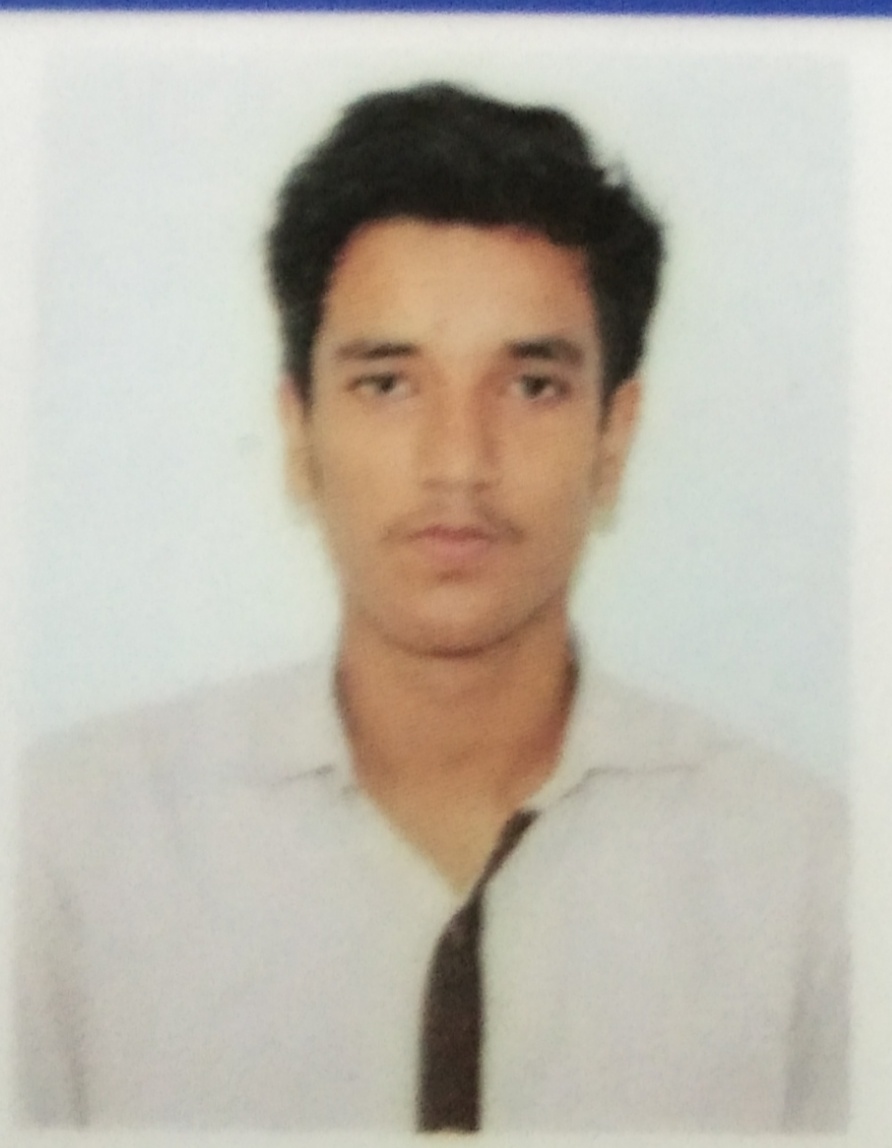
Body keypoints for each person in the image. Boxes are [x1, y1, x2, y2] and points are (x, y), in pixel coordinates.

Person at [16, 82, 848, 1132]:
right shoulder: (68, 849)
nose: (459, 461)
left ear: (614, 436)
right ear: (298, 431)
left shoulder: (807, 876)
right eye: (388, 383)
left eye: (531, 385)